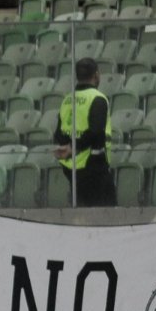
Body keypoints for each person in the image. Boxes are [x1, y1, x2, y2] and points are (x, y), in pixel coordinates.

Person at [53, 57, 116, 207]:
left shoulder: (67, 100)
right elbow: (96, 132)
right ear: (96, 75)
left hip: (72, 168)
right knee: (107, 212)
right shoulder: (98, 99)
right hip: (94, 165)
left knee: (81, 211)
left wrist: (68, 147)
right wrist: (74, 147)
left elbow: (58, 133)